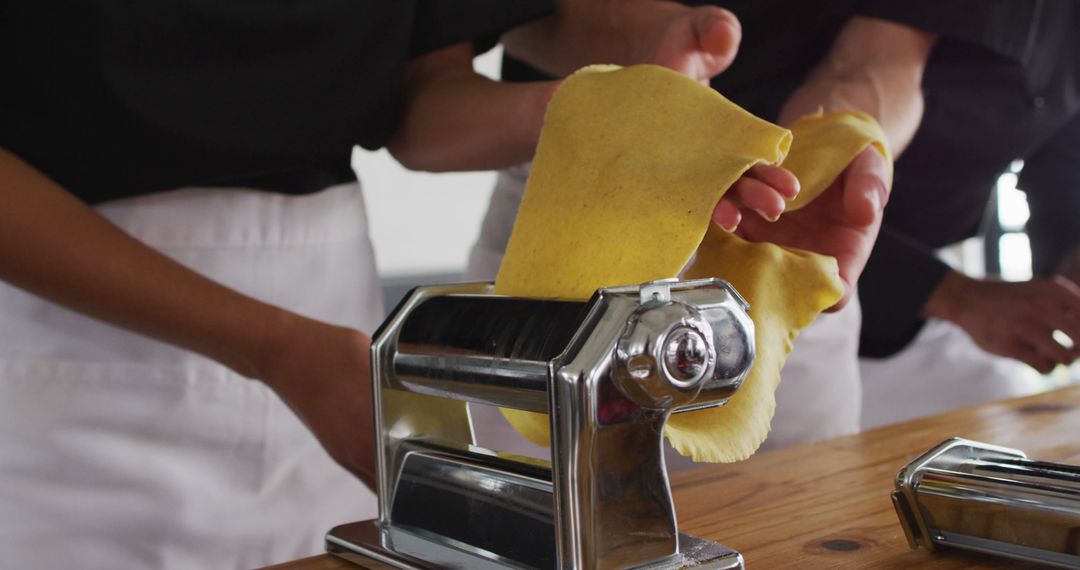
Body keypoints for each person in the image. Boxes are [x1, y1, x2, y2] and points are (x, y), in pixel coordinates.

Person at [0, 1, 801, 567]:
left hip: (331, 325)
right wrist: (277, 349)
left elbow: (422, 103)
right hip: (69, 340)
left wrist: (594, 111)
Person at [467, 2, 936, 455]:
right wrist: (644, 43)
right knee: (534, 502)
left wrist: (831, 144)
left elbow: (887, 53)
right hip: (579, 185)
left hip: (782, 228)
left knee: (794, 503)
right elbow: (498, 17)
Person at [857, 1, 1080, 428]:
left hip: (921, 305)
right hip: (774, 269)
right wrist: (955, 295)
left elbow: (1060, 173)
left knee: (1011, 418)